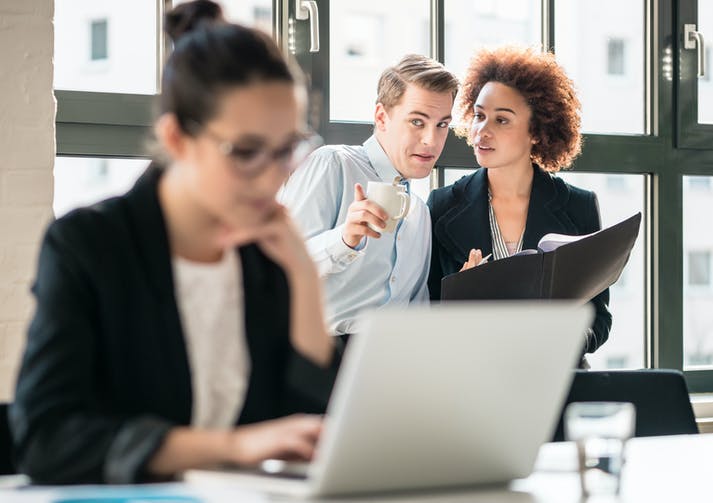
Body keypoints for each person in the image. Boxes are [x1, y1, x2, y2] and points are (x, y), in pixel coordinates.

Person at [10, 0, 339, 484]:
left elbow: (306, 430)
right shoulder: (91, 244)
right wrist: (232, 447)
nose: (273, 177)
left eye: (287, 149)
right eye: (245, 152)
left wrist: (305, 278)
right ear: (178, 139)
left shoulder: (264, 253)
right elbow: (46, 438)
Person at [427, 46, 612, 358]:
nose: (481, 131)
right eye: (479, 116)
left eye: (502, 120)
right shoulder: (442, 206)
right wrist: (461, 299)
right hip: (472, 380)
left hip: (555, 382)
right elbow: (425, 316)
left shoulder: (579, 207)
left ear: (536, 132)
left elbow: (599, 320)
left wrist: (561, 333)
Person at [279, 55, 459, 343]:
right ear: (381, 117)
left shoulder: (419, 212)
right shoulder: (333, 165)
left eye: (442, 125)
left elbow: (416, 309)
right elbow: (280, 266)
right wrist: (344, 240)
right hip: (320, 356)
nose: (431, 141)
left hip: (392, 362)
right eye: (417, 121)